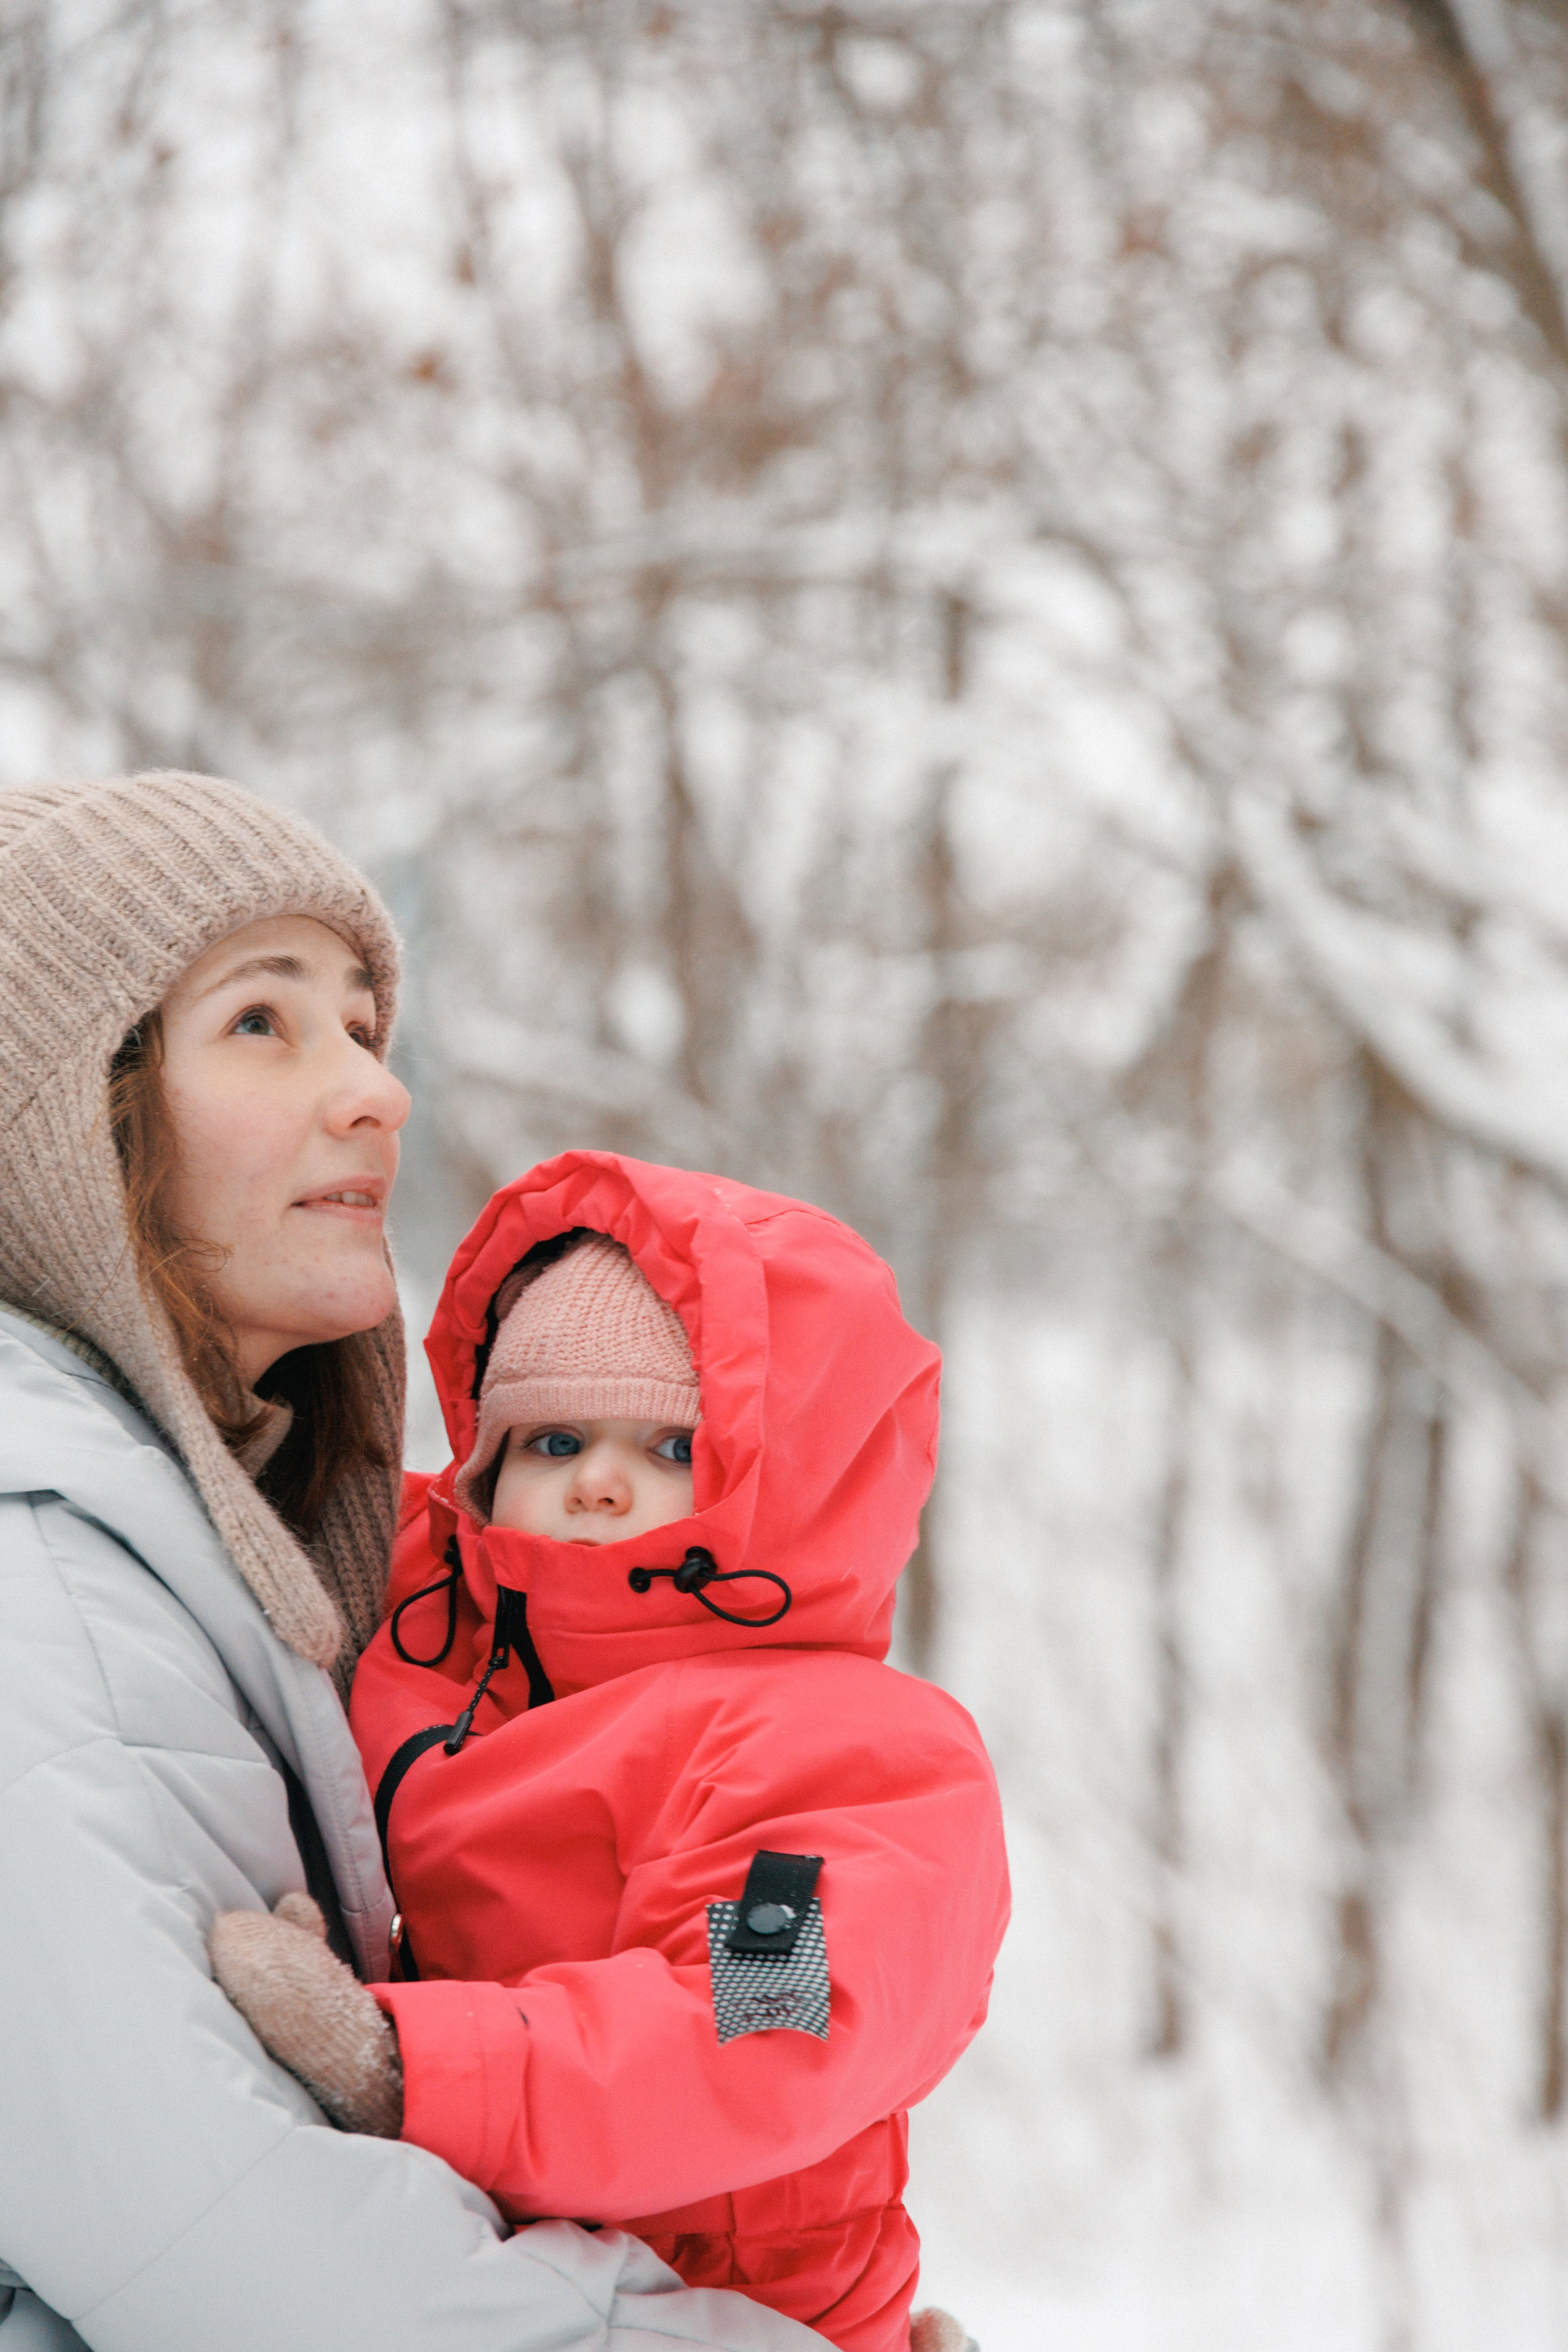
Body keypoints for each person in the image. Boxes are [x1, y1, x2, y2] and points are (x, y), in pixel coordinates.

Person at [0, 771, 823, 2352]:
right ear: (63, 1124)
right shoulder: (40, 1604)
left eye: (367, 1027)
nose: (376, 1089)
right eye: (265, 1021)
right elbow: (261, 2263)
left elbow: (758, 2028)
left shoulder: (269, 1585)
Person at [210, 1154, 1011, 2352]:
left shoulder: (842, 1759)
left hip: (733, 2311)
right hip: (480, 2267)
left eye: (671, 1449)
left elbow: (749, 2041)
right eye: (552, 1437)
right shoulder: (442, 1629)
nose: (595, 1483)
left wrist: (401, 2067)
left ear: (781, 1484)